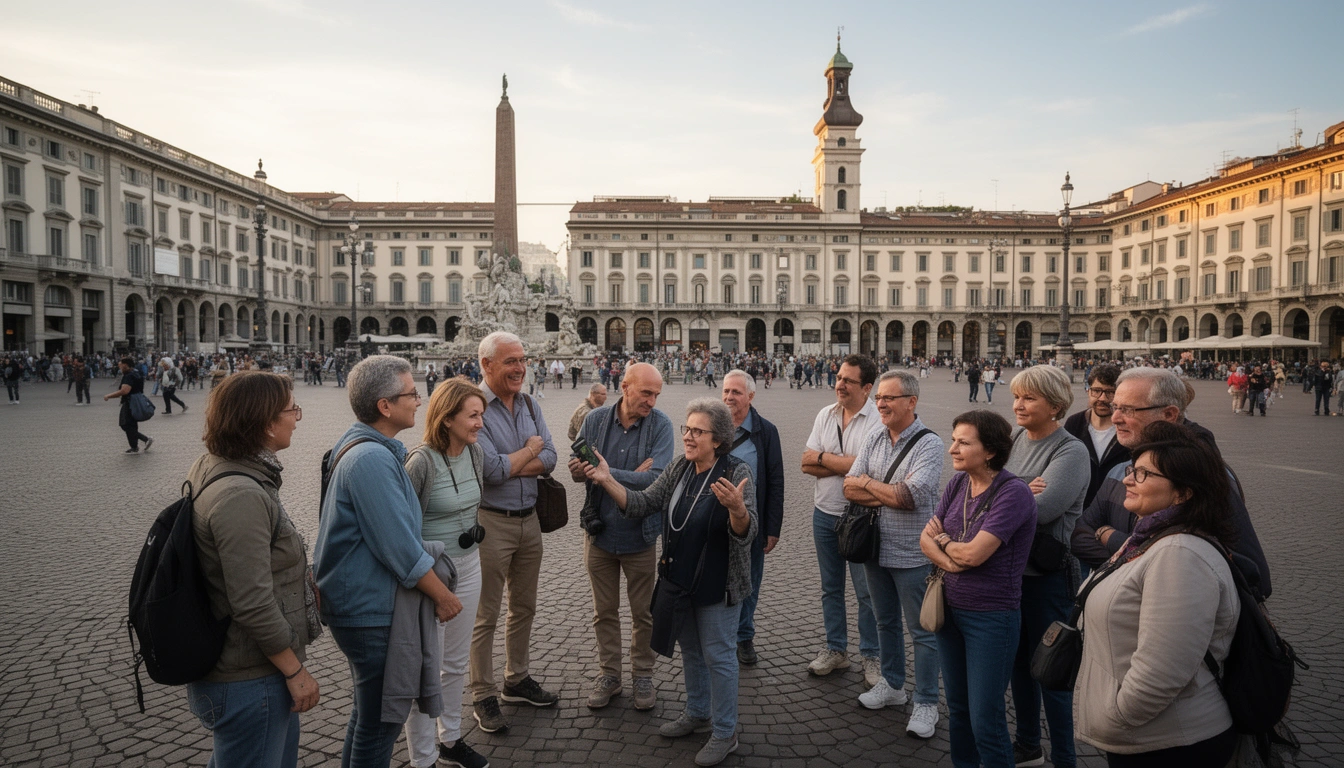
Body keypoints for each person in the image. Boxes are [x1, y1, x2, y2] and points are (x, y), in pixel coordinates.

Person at [581, 398, 757, 767]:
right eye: (687, 429)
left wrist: (738, 511)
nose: (689, 437)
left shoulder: (736, 470)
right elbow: (643, 502)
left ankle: (726, 732)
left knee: (720, 657)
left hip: (718, 581)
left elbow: (747, 532)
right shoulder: (680, 467)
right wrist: (606, 478)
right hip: (680, 577)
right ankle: (697, 713)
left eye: (698, 431)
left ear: (718, 439)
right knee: (691, 650)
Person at [313, 355, 462, 768]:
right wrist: (444, 597)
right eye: (411, 393)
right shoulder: (373, 460)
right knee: (380, 725)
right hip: (368, 610)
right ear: (384, 406)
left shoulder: (365, 446)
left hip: (360, 603)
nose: (419, 400)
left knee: (368, 717)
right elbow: (399, 548)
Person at [1074, 421, 1241, 768]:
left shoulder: (1180, 555)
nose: (1127, 480)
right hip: (1148, 735)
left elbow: (1161, 673)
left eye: (1143, 475)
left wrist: (1117, 715)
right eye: (1132, 470)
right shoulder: (1152, 537)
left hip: (1168, 741)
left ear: (1183, 493)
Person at [184, 371, 319, 768]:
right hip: (250, 677)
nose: (297, 416)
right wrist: (295, 671)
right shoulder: (240, 493)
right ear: (264, 422)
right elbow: (252, 602)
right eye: (291, 409)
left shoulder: (218, 465)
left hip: (248, 672)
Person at [1069, 367, 1272, 596]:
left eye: (1127, 410)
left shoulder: (1204, 477)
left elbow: (1254, 576)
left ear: (1169, 415)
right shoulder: (1120, 471)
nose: (1114, 418)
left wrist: (1113, 540)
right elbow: (1079, 534)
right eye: (1116, 407)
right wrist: (1135, 562)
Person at [919, 410, 1037, 768]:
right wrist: (950, 555)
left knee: (986, 718)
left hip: (991, 617)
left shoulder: (1013, 493)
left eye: (963, 442)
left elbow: (974, 553)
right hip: (949, 611)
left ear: (989, 451)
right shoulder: (958, 483)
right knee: (958, 709)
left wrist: (946, 546)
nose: (952, 448)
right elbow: (924, 538)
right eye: (954, 440)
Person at [842, 370, 945, 739]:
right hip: (875, 548)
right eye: (879, 398)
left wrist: (869, 484)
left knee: (923, 631)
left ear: (911, 402)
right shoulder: (875, 436)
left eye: (889, 398)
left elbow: (910, 496)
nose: (881, 404)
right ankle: (892, 685)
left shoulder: (929, 445)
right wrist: (881, 489)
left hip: (914, 552)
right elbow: (848, 487)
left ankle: (927, 701)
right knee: (885, 622)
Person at [569, 362, 675, 711]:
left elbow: (657, 480)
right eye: (647, 393)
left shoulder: (660, 426)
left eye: (657, 394)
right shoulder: (595, 420)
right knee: (604, 611)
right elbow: (579, 470)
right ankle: (609, 675)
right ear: (625, 386)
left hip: (640, 536)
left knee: (643, 613)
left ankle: (642, 674)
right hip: (599, 532)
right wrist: (583, 471)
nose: (652, 401)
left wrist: (606, 472)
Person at [469, 331, 559, 733]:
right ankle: (482, 693)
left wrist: (516, 462)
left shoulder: (529, 403)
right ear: (486, 365)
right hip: (490, 521)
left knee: (524, 606)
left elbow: (553, 457)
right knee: (485, 614)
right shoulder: (472, 408)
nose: (520, 368)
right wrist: (529, 451)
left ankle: (516, 678)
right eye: (510, 361)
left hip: (529, 519)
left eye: (522, 359)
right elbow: (490, 470)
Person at [401, 378, 490, 768]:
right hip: (431, 575)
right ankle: (422, 759)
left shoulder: (476, 454)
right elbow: (403, 530)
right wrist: (429, 582)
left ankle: (450, 740)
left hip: (469, 566)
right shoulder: (420, 462)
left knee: (455, 661)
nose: (480, 423)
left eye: (481, 414)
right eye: (473, 416)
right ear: (447, 418)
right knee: (425, 668)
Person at [1004, 364, 1090, 768]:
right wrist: (1023, 486)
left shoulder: (1070, 451)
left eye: (1028, 398)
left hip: (1048, 576)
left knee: (1052, 670)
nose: (1018, 405)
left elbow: (1042, 510)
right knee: (1020, 663)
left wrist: (1008, 488)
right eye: (1017, 396)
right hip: (1009, 571)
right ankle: (1027, 744)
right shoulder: (1014, 435)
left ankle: (1065, 758)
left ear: (1055, 405)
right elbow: (978, 484)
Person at [800, 355, 883, 686]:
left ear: (866, 387)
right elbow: (806, 463)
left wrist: (825, 459)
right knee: (830, 588)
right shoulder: (825, 414)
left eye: (848, 380)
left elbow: (870, 470)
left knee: (867, 592)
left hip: (863, 516)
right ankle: (836, 650)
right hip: (824, 512)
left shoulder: (877, 420)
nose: (839, 384)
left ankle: (872, 655)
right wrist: (845, 463)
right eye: (838, 377)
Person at [720, 370, 784, 666]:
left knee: (750, 581)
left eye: (736, 392)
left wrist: (773, 527)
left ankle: (744, 636)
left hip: (752, 522)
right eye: (726, 391)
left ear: (751, 396)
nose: (729, 397)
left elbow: (775, 480)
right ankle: (720, 635)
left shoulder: (765, 431)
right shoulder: (713, 425)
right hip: (715, 521)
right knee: (716, 578)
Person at [1062, 364, 1130, 509]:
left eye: (1110, 392)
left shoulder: (1128, 427)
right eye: (1097, 391)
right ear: (1088, 390)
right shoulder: (1075, 423)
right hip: (1079, 508)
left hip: (1117, 507)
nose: (1102, 398)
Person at [103, 356, 154, 453]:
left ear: (125, 365)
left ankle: (145, 439)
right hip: (136, 400)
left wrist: (109, 396)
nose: (119, 367)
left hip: (130, 402)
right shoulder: (136, 372)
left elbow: (124, 391)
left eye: (120, 365)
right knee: (131, 424)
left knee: (125, 424)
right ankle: (134, 446)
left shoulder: (129, 376)